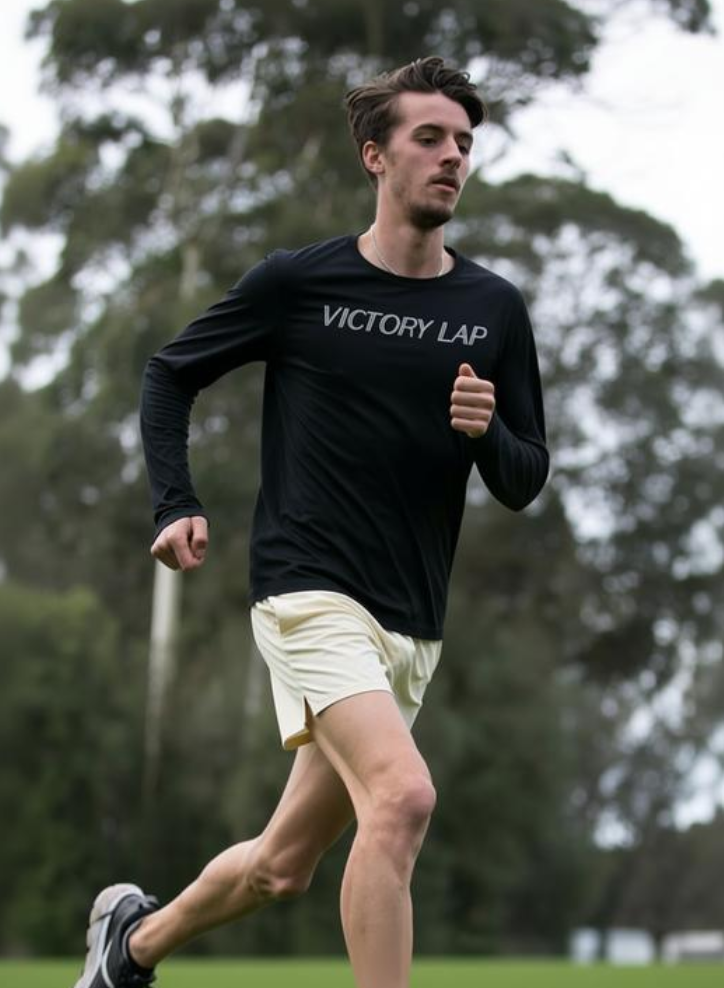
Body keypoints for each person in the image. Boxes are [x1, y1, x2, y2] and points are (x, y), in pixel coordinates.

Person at [72, 56, 549, 988]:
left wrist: (488, 432)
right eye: (429, 138)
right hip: (307, 591)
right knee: (404, 797)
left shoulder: (492, 308)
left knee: (282, 868)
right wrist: (176, 501)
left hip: (412, 625)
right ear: (376, 156)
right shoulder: (301, 283)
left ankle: (128, 948)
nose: (453, 156)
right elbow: (170, 374)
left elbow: (525, 477)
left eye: (464, 142)